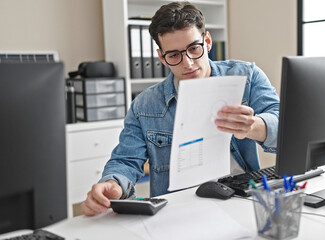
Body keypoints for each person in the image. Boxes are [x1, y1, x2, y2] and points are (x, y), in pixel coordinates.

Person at [81, 1, 280, 216]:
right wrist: (113, 183)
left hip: (243, 202)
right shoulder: (144, 105)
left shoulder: (247, 76)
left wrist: (253, 126)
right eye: (174, 55)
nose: (188, 63)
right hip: (180, 211)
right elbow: (126, 160)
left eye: (194, 48)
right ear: (161, 57)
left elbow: (284, 126)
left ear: (207, 41)